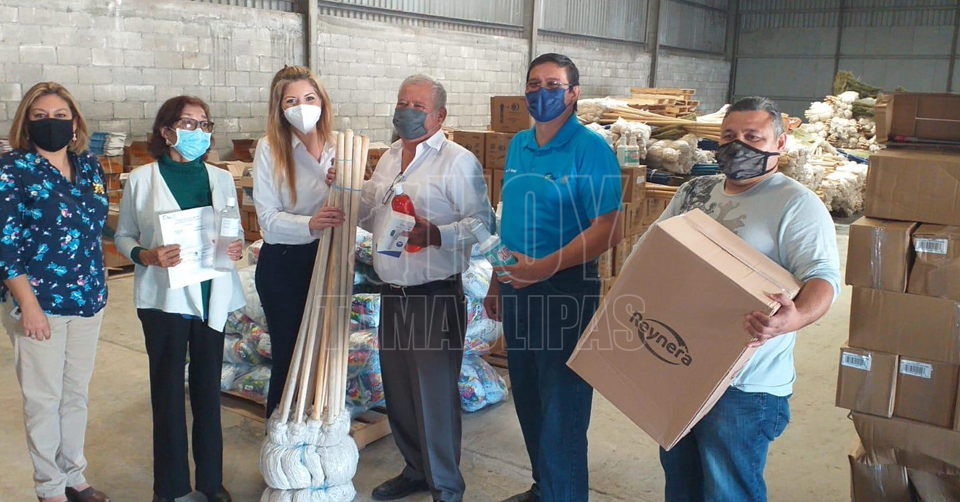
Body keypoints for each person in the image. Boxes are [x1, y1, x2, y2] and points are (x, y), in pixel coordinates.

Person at [647, 96, 841, 502]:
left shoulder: (796, 204)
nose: (738, 146)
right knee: (680, 482)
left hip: (744, 385)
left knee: (729, 490)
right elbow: (654, 248)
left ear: (780, 143)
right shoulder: (695, 191)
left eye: (753, 137)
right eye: (729, 136)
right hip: (681, 364)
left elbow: (823, 278)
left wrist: (794, 318)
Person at [482, 54, 622, 502]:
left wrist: (543, 268)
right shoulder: (520, 144)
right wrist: (497, 280)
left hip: (565, 288)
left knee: (563, 403)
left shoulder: (590, 149)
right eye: (534, 84)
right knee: (527, 394)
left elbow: (609, 228)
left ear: (574, 94)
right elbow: (510, 218)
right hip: (516, 286)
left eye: (553, 85)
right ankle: (545, 488)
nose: (541, 92)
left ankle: (565, 495)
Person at [354, 74, 494, 502]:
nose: (407, 112)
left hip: (434, 294)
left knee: (433, 395)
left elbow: (483, 224)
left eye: (418, 106)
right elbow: (370, 217)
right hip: (393, 293)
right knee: (399, 391)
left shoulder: (457, 161)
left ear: (440, 116)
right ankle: (415, 470)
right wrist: (344, 189)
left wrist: (437, 235)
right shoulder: (390, 156)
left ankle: (446, 488)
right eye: (403, 103)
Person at [114, 96, 246, 502]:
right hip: (164, 302)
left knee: (208, 394)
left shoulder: (220, 179)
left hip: (211, 298)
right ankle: (170, 487)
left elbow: (233, 230)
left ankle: (210, 482)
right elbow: (123, 236)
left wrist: (235, 245)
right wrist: (146, 256)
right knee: (168, 394)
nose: (198, 131)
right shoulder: (142, 180)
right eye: (188, 123)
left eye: (204, 124)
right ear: (166, 130)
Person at [0, 82, 111, 502]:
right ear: (26, 123)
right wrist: (28, 305)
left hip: (89, 299)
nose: (52, 123)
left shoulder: (89, 166)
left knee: (75, 394)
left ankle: (73, 475)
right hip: (38, 303)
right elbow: (5, 244)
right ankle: (49, 488)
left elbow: (95, 227)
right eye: (41, 116)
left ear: (75, 123)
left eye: (61, 116)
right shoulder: (12, 170)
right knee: (43, 398)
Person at [252, 65, 344, 418]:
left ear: (322, 101)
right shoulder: (270, 149)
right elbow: (267, 219)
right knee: (290, 356)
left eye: (309, 98)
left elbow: (356, 207)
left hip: (329, 258)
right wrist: (311, 223)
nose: (301, 107)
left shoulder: (339, 147)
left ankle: (319, 427)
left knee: (327, 354)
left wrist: (347, 183)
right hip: (285, 263)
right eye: (291, 101)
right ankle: (281, 432)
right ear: (279, 108)